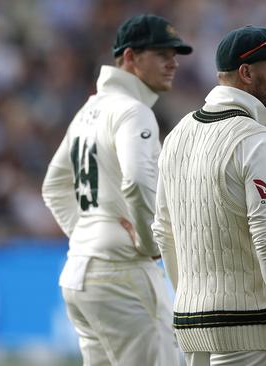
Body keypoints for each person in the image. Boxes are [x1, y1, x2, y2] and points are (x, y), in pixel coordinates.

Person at [151, 25, 266, 366]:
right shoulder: (256, 140)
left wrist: (190, 297)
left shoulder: (177, 135)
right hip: (246, 325)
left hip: (191, 321)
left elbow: (163, 231)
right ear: (247, 72)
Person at [41, 14, 192, 366]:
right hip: (121, 274)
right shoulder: (133, 111)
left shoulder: (88, 110)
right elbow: (137, 180)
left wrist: (87, 234)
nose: (173, 63)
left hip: (81, 273)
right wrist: (150, 241)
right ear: (129, 58)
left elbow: (54, 186)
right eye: (161, 54)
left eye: (174, 54)